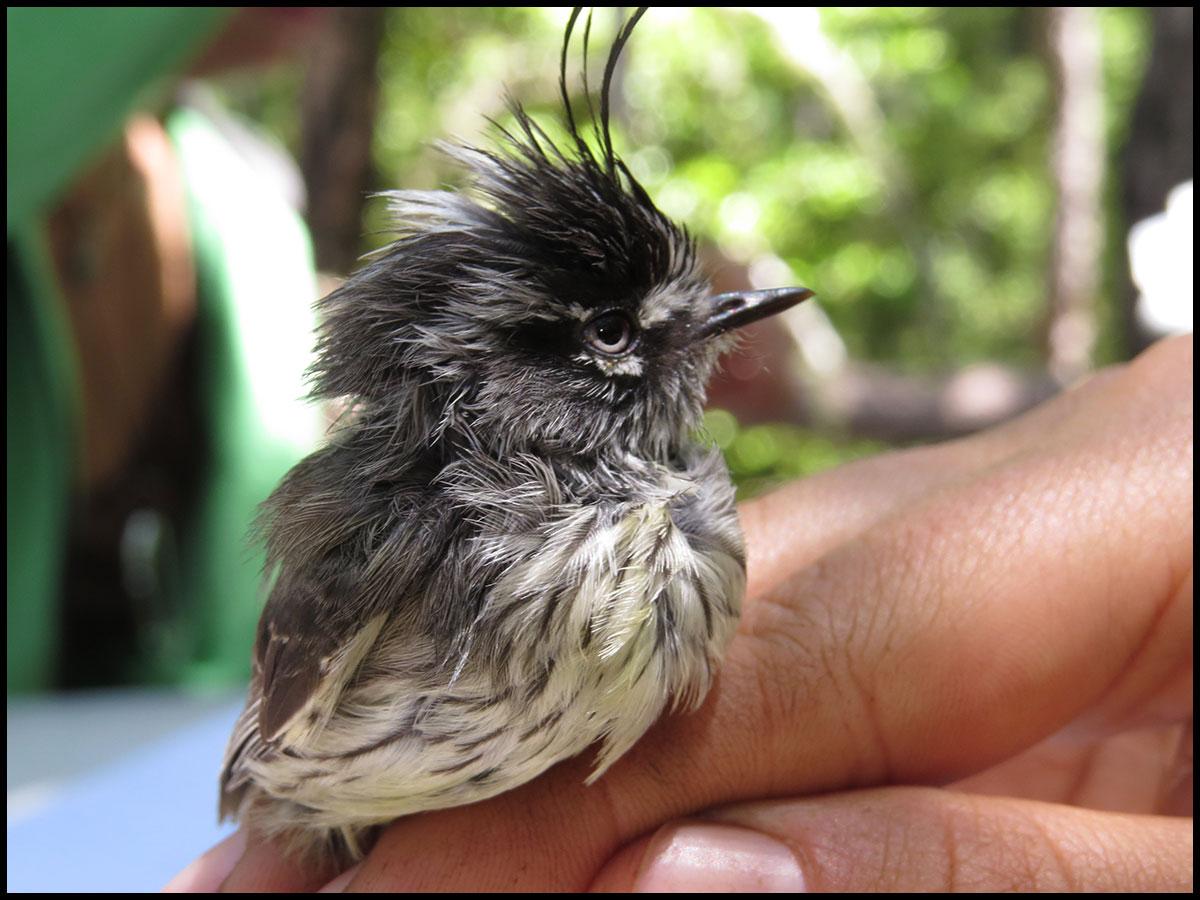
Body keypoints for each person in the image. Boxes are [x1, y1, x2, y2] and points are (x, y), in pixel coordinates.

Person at [167, 334, 1192, 892]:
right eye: (618, 332)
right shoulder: (372, 544)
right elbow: (274, 763)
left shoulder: (688, 520)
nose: (699, 335)